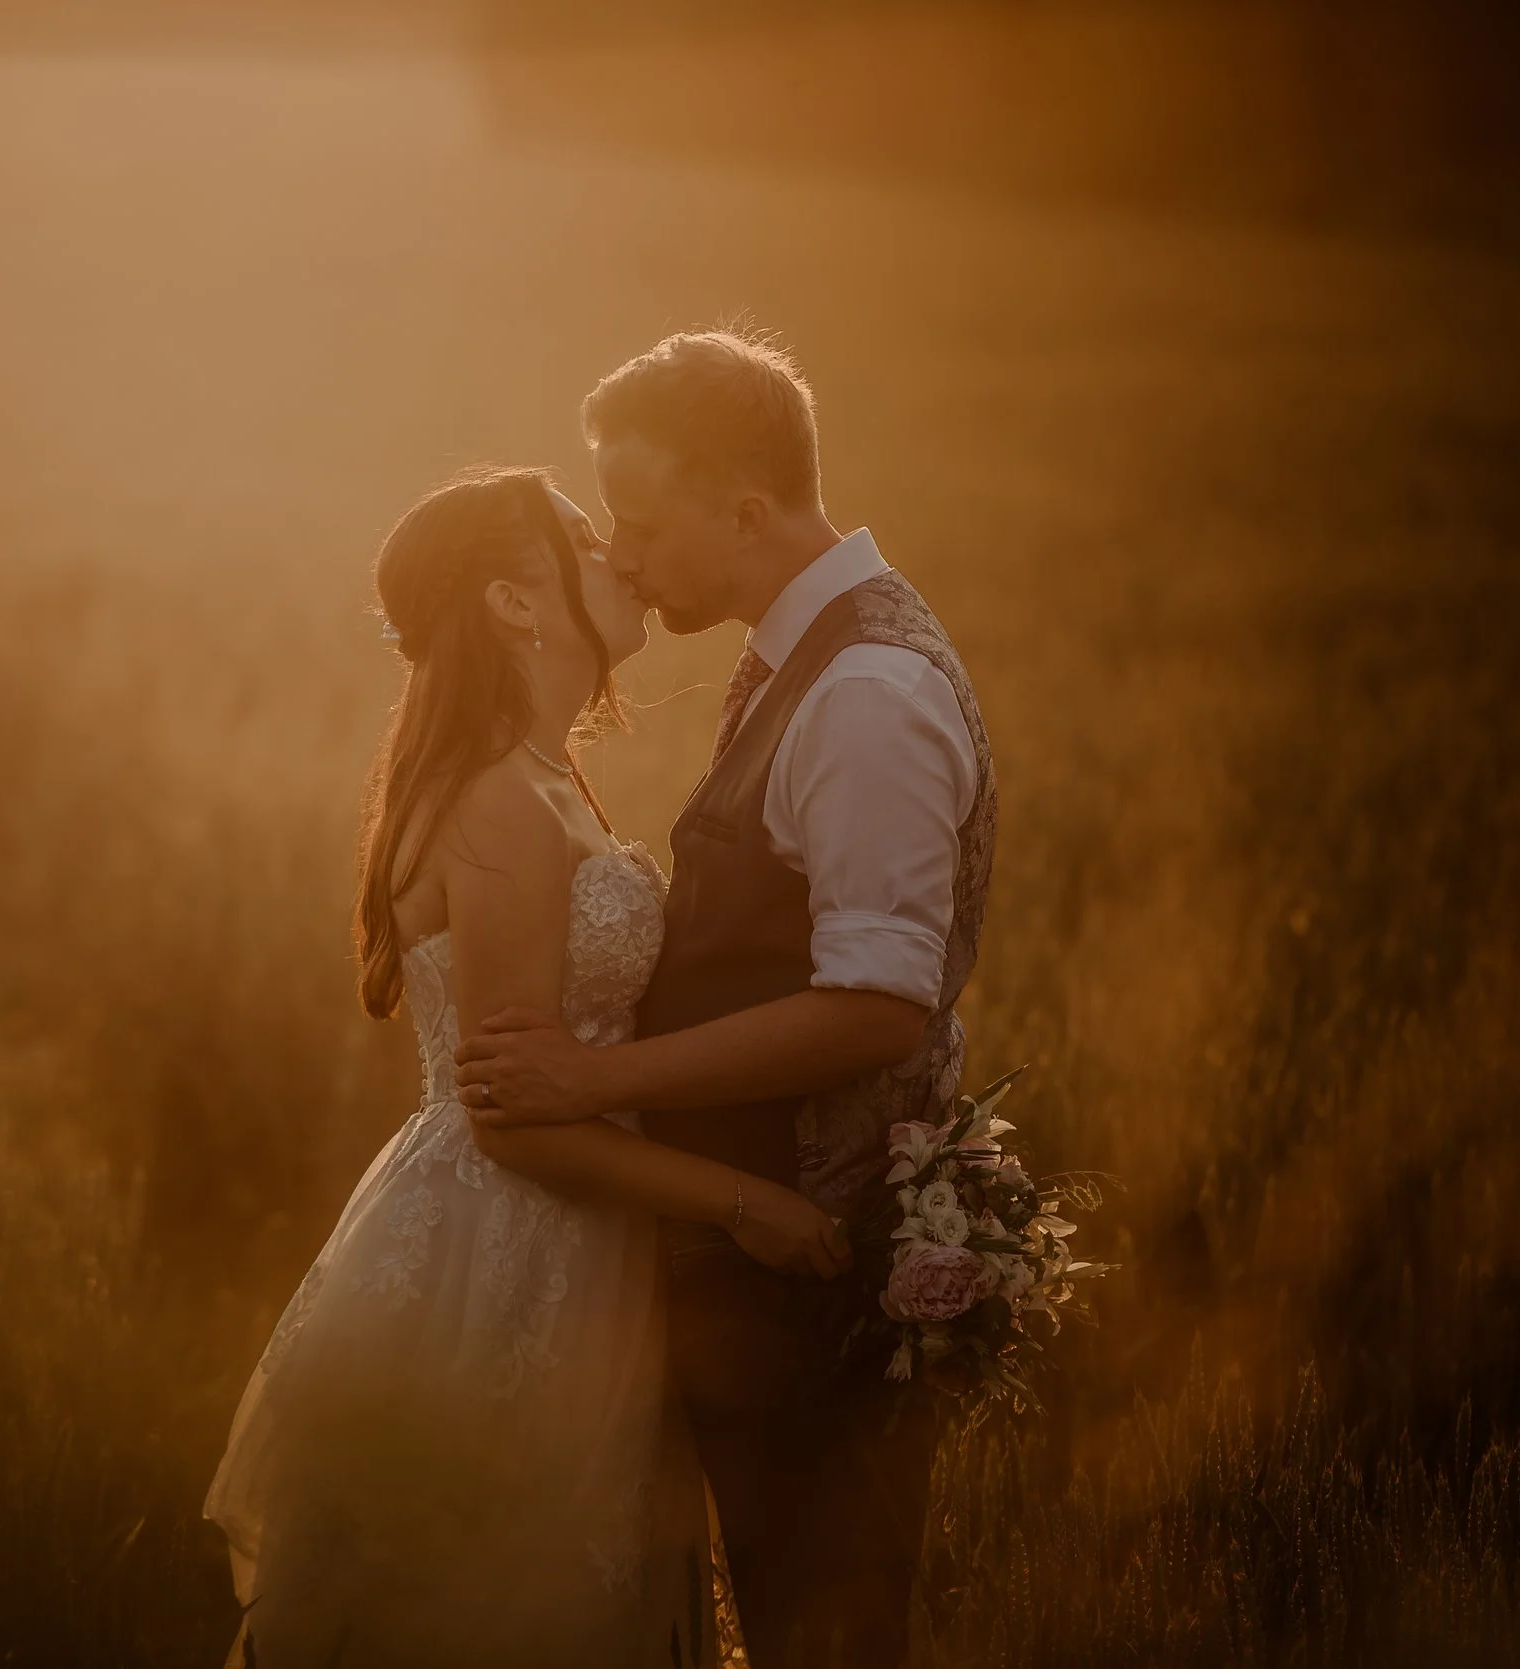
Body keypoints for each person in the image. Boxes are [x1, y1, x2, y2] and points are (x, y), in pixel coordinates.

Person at [202, 465, 847, 1669]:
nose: (621, 557)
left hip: (588, 1233)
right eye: (587, 540)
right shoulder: (497, 798)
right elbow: (511, 1116)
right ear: (514, 602)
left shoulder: (547, 776)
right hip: (509, 1241)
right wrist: (746, 1203)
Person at [458, 328, 998, 1667]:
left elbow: (881, 1007)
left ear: (747, 511)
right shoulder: (802, 652)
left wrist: (595, 1082)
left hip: (811, 1250)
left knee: (827, 1631)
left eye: (640, 525)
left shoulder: (867, 692)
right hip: (760, 1242)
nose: (619, 558)